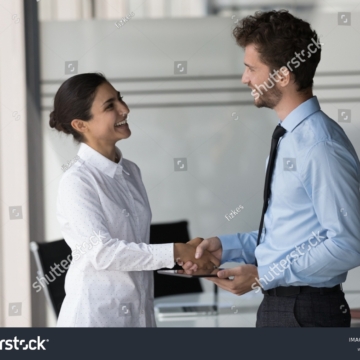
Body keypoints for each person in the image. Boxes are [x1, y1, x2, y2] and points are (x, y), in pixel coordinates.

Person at [184, 10, 360, 327]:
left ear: (282, 75)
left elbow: (349, 243)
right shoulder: (291, 139)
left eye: (252, 68)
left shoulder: (320, 146)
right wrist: (227, 247)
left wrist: (264, 275)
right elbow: (288, 237)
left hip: (305, 312)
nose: (245, 78)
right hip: (286, 308)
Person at [49, 72, 219, 327]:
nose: (125, 109)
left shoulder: (131, 171)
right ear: (80, 125)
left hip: (140, 315)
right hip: (96, 320)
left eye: (120, 99)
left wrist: (184, 255)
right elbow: (102, 253)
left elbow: (135, 247)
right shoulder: (77, 181)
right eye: (110, 106)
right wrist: (175, 251)